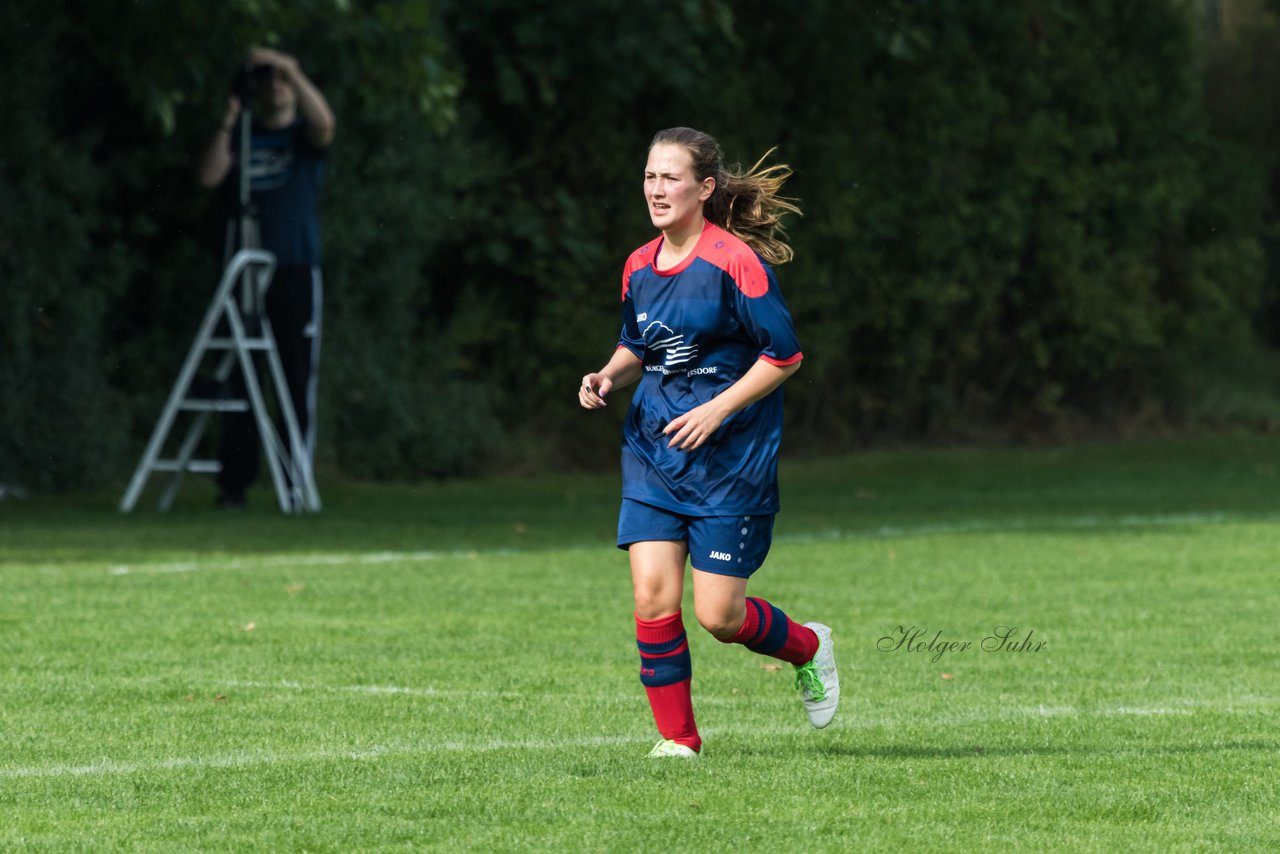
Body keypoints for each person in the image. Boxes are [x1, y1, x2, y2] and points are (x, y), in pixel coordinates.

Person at [579, 127, 839, 758]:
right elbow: (641, 343)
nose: (657, 189)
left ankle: (808, 646)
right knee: (651, 595)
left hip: (729, 461)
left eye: (671, 177)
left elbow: (784, 356)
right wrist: (608, 374)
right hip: (655, 449)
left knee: (720, 617)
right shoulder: (639, 265)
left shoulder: (734, 262)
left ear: (704, 187)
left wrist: (718, 411)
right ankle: (679, 742)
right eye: (649, 177)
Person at [197, 46, 336, 509]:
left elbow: (325, 126)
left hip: (294, 270)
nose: (274, 86)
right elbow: (211, 176)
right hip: (244, 273)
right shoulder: (244, 135)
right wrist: (230, 116)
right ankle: (233, 485)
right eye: (267, 79)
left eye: (281, 80)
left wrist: (291, 68)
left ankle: (293, 484)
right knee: (241, 379)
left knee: (294, 379)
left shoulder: (301, 138)